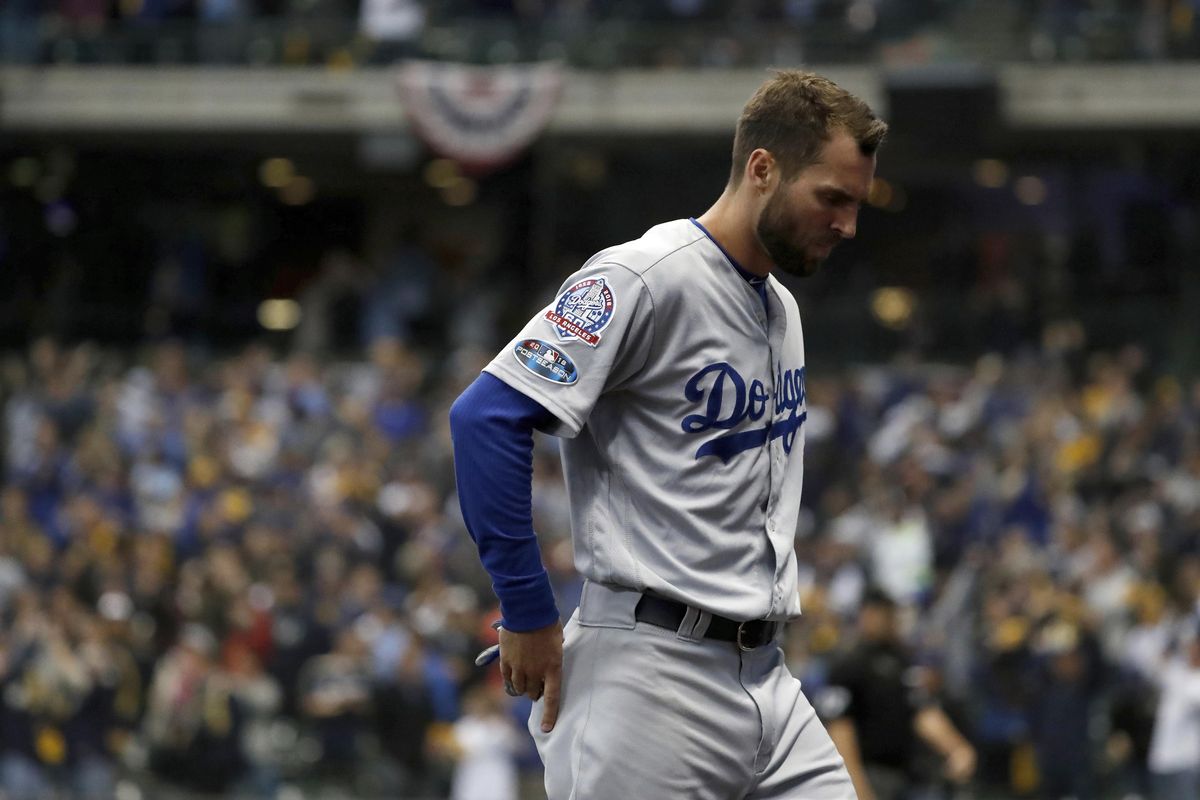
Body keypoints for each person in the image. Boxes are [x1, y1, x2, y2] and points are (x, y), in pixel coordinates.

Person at [450, 69, 887, 799]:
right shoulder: (641, 278)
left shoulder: (781, 306)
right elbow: (486, 417)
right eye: (832, 198)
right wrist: (526, 608)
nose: (847, 224)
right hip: (650, 673)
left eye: (856, 204)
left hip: (767, 675)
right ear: (761, 169)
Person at [816, 589, 976, 800]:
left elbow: (920, 711)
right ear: (866, 614)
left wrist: (955, 747)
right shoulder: (848, 664)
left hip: (903, 774)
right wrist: (856, 787)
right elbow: (840, 730)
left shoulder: (901, 660)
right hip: (867, 772)